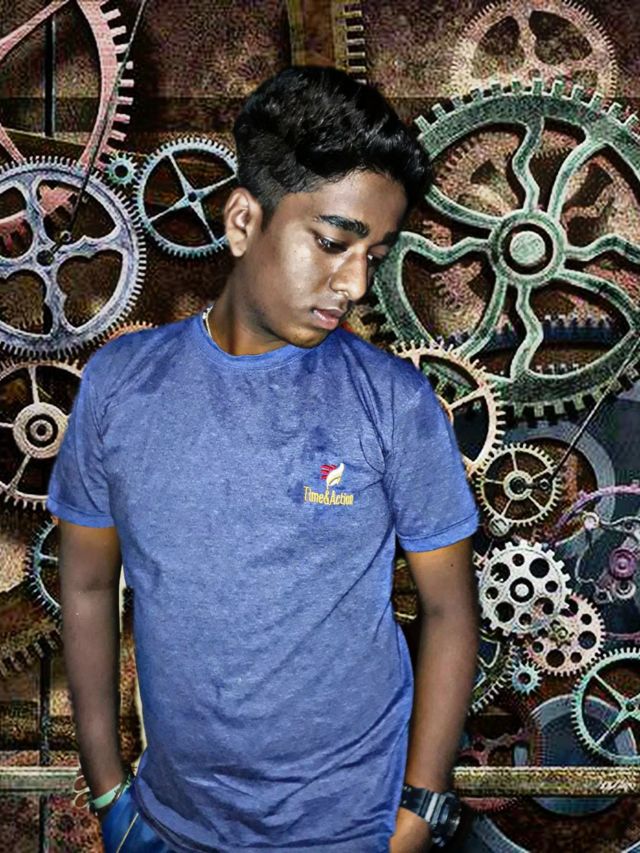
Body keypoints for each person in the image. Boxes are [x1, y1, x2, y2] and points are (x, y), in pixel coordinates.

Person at [46, 65, 480, 853]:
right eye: (334, 243)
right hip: (169, 825)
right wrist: (108, 789)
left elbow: (449, 609)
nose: (355, 283)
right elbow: (85, 584)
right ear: (244, 220)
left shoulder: (394, 402)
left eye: (375, 254)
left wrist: (418, 811)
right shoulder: (120, 385)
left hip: (353, 830)